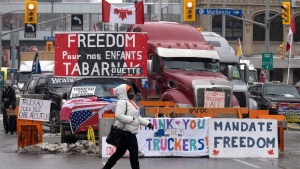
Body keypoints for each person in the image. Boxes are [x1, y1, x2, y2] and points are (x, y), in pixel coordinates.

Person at [102, 84, 154, 169]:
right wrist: (131, 119)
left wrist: (147, 124)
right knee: (133, 155)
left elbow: (137, 118)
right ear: (124, 93)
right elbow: (119, 115)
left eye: (131, 91)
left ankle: (105, 168)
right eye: (129, 91)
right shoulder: (122, 102)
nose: (132, 93)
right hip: (127, 133)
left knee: (119, 153)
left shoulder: (131, 102)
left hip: (127, 133)